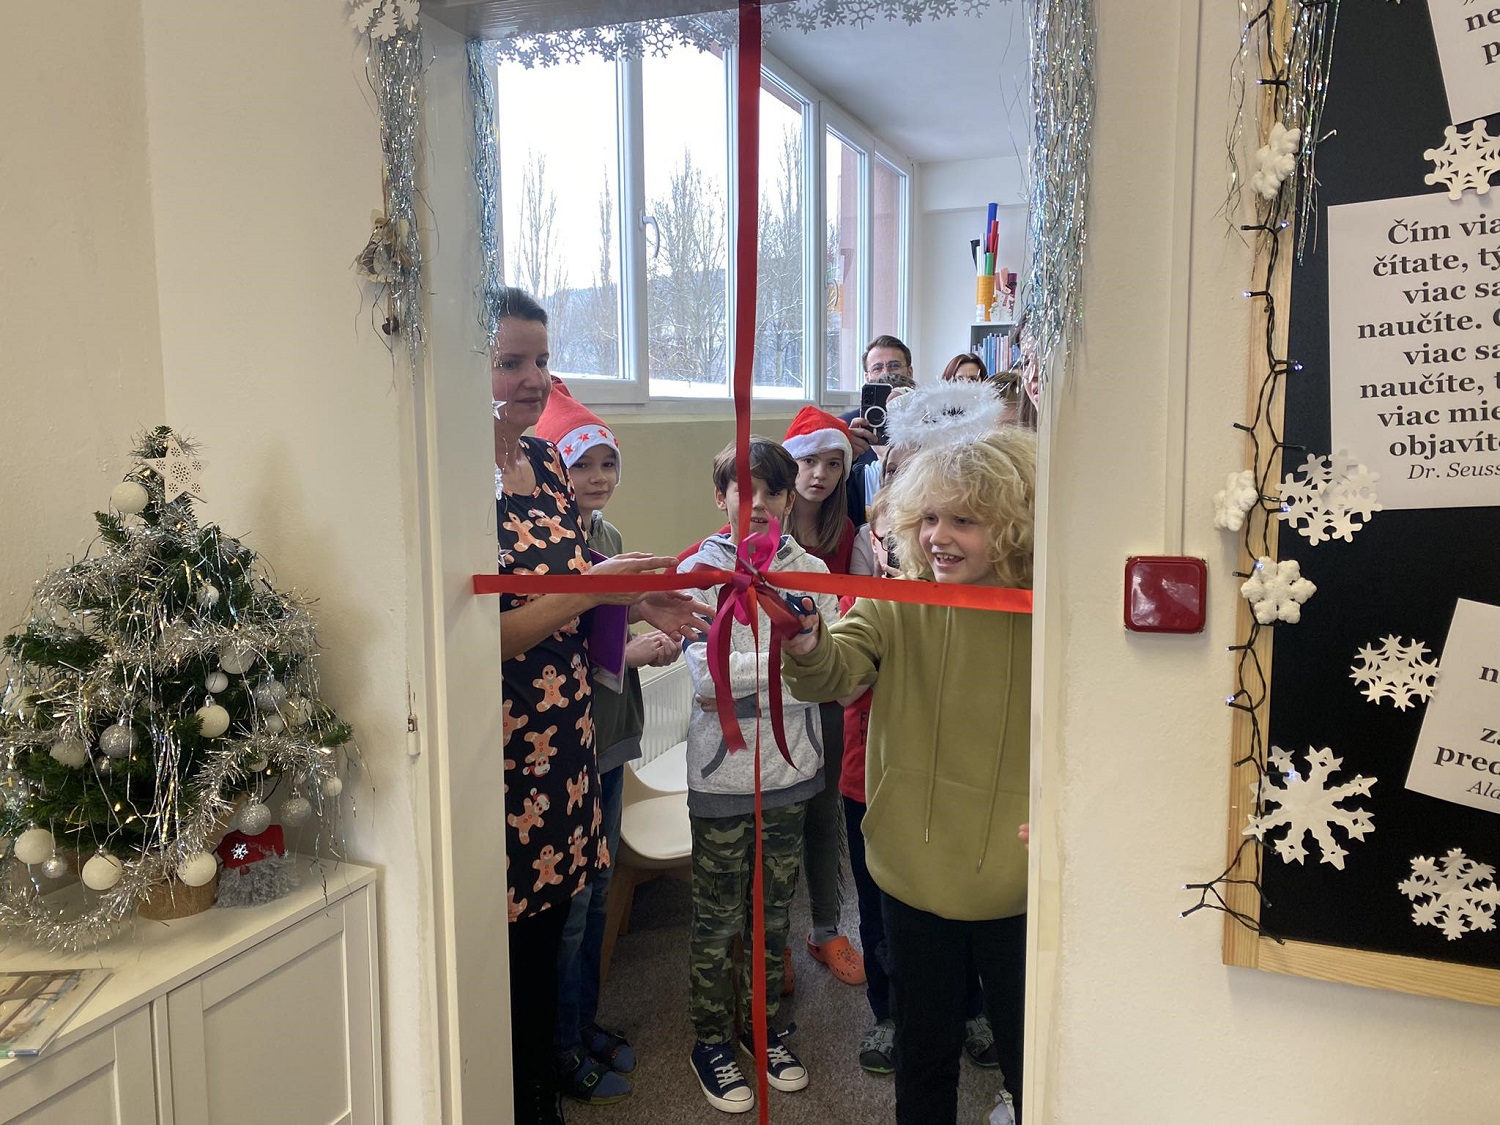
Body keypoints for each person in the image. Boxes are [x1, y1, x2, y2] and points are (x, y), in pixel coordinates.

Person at [490, 286, 707, 1125]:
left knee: (558, 928)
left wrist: (640, 600)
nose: (533, 378)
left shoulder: (547, 463)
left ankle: (552, 1068)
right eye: (510, 361)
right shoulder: (460, 480)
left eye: (542, 360)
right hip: (509, 749)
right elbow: (490, 634)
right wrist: (596, 588)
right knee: (518, 949)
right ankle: (526, 1097)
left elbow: (579, 585)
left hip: (572, 732)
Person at [783, 428, 1036, 1125]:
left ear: (1012, 526)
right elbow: (836, 669)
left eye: (964, 520)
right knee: (923, 1052)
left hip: (1018, 874)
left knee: (1031, 1056)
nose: (938, 537)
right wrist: (806, 641)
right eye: (927, 517)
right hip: (910, 868)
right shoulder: (893, 601)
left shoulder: (1048, 612)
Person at [678, 437, 839, 1115]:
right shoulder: (697, 572)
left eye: (773, 490)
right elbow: (704, 678)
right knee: (718, 918)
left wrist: (775, 670)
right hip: (722, 777)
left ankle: (763, 1026)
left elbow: (826, 671)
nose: (760, 503)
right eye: (745, 491)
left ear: (788, 498)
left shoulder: (813, 570)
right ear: (721, 497)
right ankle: (712, 1039)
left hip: (790, 770)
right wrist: (788, 662)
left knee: (772, 916)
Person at [535, 390, 680, 1107]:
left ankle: (583, 1023)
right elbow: (565, 650)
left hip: (615, 731)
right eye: (581, 464)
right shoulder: (551, 546)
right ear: (555, 471)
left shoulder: (612, 537)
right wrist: (633, 652)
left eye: (607, 463)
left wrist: (643, 639)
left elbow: (607, 633)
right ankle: (559, 1044)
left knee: (596, 895)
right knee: (572, 908)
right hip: (573, 742)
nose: (597, 477)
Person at [779, 407, 870, 990]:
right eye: (809, 461)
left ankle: (825, 928)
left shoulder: (847, 533)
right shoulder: (763, 528)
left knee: (822, 810)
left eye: (834, 464)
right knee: (777, 818)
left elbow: (853, 619)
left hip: (830, 690)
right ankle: (773, 942)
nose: (820, 475)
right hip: (772, 690)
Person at [844, 334, 917, 525]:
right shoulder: (849, 429)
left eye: (894, 365)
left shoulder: (930, 424)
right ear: (867, 376)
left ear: (909, 372)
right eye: (877, 367)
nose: (885, 372)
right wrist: (846, 459)